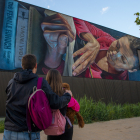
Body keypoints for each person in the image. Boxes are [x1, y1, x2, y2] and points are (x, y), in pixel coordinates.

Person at [38, 13, 140, 80]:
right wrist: (92, 39)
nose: (114, 53)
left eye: (122, 59)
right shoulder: (109, 40)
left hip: (58, 73)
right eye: (117, 45)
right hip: (67, 43)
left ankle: (54, 53)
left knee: (53, 63)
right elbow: (79, 20)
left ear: (131, 70)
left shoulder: (115, 82)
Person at [3, 54, 72, 140]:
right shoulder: (40, 83)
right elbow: (56, 102)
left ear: (22, 65)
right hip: (28, 133)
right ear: (36, 65)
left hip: (8, 132)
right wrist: (68, 95)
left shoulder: (11, 82)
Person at [46, 69, 74, 140]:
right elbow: (75, 107)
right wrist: (69, 95)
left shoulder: (45, 93)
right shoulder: (65, 93)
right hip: (65, 126)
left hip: (50, 126)